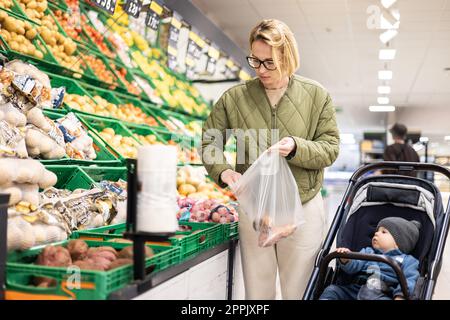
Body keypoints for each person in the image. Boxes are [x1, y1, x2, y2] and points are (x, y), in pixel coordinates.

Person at [201, 19, 340, 299]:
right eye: (256, 60)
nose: (261, 69)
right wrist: (224, 172)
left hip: (302, 208)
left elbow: (330, 147)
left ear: (287, 58)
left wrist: (296, 147)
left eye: (270, 62)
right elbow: (209, 141)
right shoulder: (235, 97)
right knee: (258, 292)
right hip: (255, 208)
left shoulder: (317, 96)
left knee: (299, 291)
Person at [319, 217, 421, 300]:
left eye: (383, 232)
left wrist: (400, 296)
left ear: (398, 242)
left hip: (383, 294)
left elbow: (410, 280)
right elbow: (354, 266)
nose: (376, 233)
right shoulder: (368, 252)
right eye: (377, 231)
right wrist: (346, 259)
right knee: (332, 290)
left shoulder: (408, 261)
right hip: (356, 290)